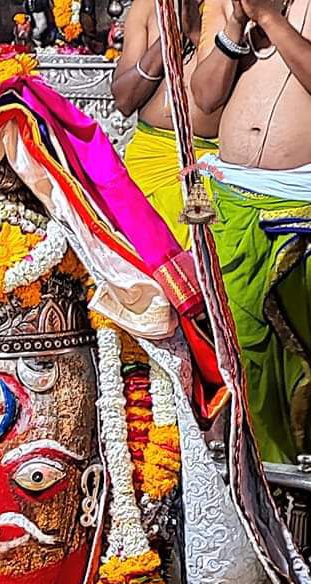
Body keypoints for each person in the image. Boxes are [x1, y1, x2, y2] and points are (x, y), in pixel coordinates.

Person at [191, 0, 311, 464]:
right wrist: (237, 24)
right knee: (238, 352)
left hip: (299, 206)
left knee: (294, 359)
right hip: (233, 200)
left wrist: (270, 19)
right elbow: (203, 97)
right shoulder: (229, 5)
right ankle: (254, 474)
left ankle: (293, 481)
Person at [112, 0, 222, 247]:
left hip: (208, 165)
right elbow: (124, 100)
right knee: (141, 268)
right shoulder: (147, 7)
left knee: (200, 270)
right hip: (146, 161)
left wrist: (194, 33)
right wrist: (169, 36)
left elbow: (212, 97)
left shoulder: (234, 8)